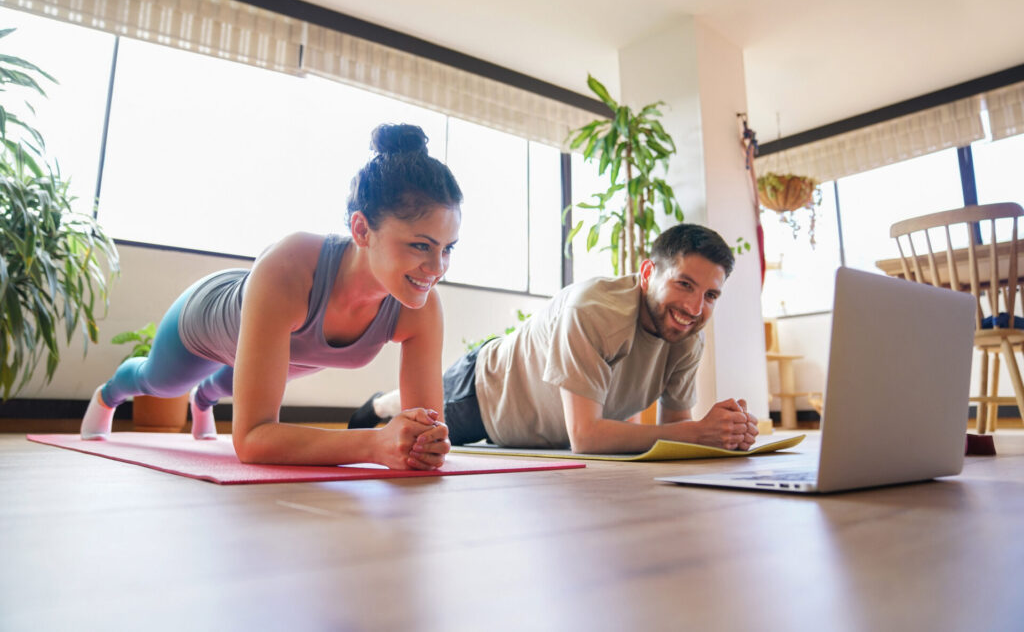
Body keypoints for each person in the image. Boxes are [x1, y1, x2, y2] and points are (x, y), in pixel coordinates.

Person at [81, 124, 460, 471]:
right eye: (420, 245)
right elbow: (251, 441)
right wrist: (373, 444)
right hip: (208, 318)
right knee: (161, 382)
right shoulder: (291, 266)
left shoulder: (422, 305)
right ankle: (108, 394)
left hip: (280, 346)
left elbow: (427, 435)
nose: (436, 267)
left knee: (225, 386)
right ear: (362, 230)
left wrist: (422, 442)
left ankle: (204, 400)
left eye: (447, 249)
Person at [351, 223, 759, 454]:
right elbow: (586, 438)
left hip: (546, 426)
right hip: (487, 393)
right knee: (414, 432)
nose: (694, 306)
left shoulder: (689, 334)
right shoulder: (594, 310)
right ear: (648, 274)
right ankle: (379, 404)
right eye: (684, 284)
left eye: (710, 295)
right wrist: (696, 433)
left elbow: (676, 432)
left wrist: (722, 435)